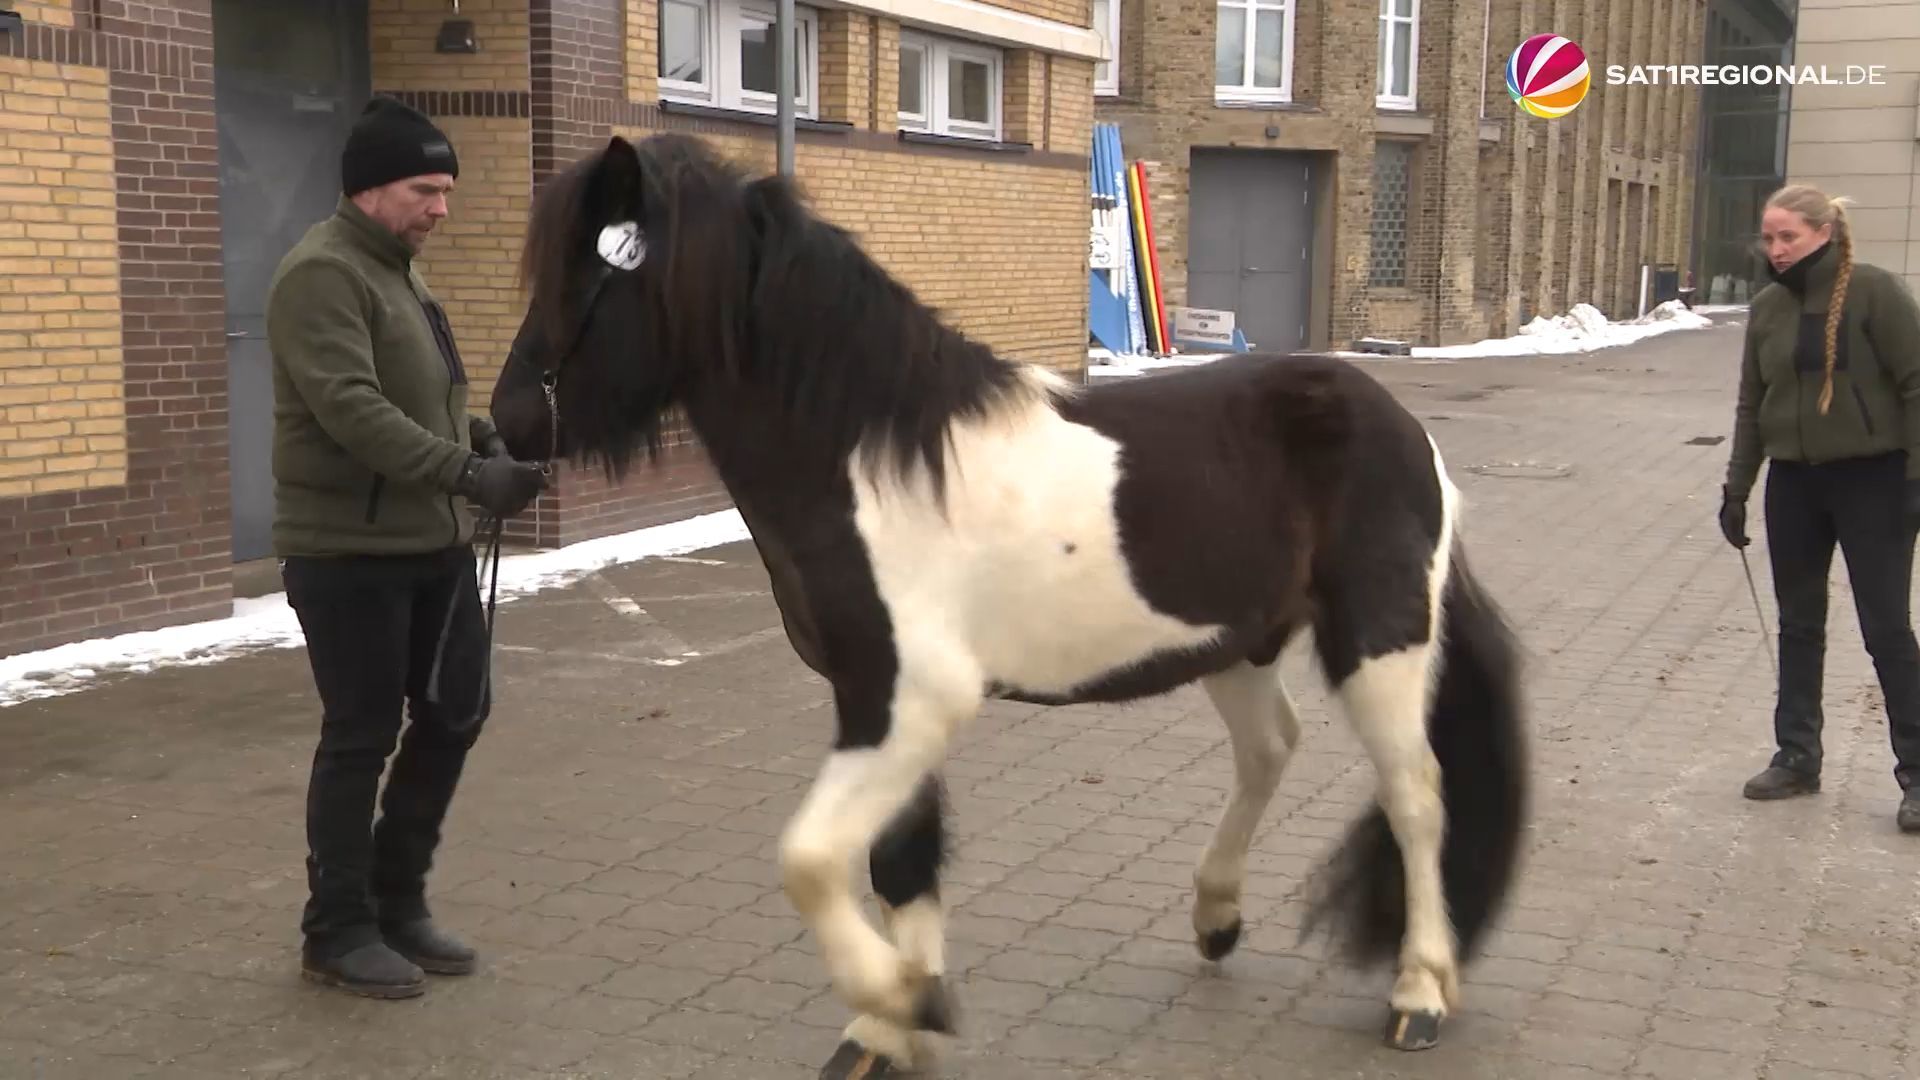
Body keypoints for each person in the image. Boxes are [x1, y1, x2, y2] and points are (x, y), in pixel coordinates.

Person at [266, 95, 549, 997]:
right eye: (426, 188)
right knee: (361, 736)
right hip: (348, 553)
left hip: (430, 543)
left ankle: (398, 901)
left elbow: (419, 399)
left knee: (456, 711)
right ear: (369, 189)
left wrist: (479, 437)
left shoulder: (401, 272)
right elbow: (351, 410)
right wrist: (469, 478)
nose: (442, 208)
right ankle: (337, 929)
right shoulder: (322, 275)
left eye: (448, 190)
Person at [1718, 183, 1920, 830]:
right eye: (1768, 238)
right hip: (1794, 485)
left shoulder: (1875, 292)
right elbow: (1752, 404)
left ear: (1824, 233)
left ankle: (1916, 773)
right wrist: (1737, 489)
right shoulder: (1768, 308)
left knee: (1886, 628)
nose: (1775, 250)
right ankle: (1797, 756)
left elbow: (1917, 383)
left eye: (1788, 237)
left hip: (1876, 481)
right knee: (1798, 624)